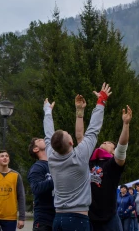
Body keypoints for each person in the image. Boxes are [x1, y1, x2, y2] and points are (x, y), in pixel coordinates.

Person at [41, 83, 111, 230]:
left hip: (58, 218)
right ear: (71, 142)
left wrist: (48, 111)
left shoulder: (51, 157)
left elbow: (48, 135)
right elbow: (93, 130)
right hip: (78, 219)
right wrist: (101, 101)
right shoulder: (79, 157)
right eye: (68, 133)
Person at [28, 96, 90, 231]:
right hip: (44, 219)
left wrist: (48, 112)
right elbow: (36, 189)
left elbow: (49, 133)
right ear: (35, 149)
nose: (43, 139)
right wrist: (56, 180)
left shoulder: (55, 160)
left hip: (57, 215)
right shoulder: (37, 168)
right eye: (39, 140)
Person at [89, 103, 132, 231]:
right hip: (90, 217)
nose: (105, 142)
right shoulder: (90, 162)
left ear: (114, 152)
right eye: (104, 141)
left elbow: (122, 145)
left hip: (109, 218)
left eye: (109, 143)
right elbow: (81, 137)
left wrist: (126, 124)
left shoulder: (113, 165)